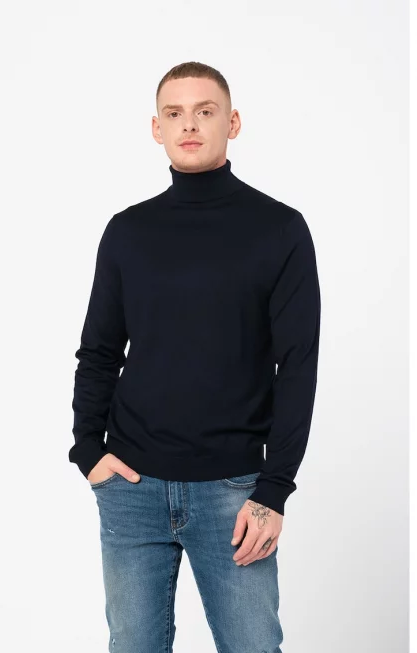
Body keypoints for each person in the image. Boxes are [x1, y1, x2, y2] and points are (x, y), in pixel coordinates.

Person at [69, 61, 321, 653]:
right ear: (156, 128)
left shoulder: (279, 229)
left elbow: (297, 367)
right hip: (131, 487)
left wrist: (273, 490)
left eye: (205, 111)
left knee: (253, 646)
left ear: (232, 122)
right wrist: (88, 451)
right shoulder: (127, 230)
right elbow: (100, 351)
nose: (189, 124)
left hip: (235, 491)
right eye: (175, 113)